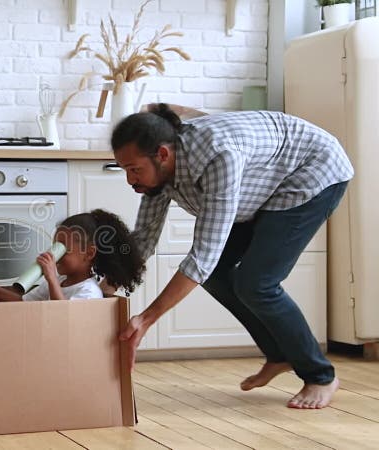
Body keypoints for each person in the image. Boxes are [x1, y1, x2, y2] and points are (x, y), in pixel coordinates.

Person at [113, 104, 353, 409]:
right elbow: (144, 238)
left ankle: (320, 376)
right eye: (124, 170)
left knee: (257, 283)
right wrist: (107, 286)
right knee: (218, 274)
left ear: (162, 154)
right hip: (266, 183)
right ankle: (280, 355)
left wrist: (146, 319)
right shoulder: (158, 175)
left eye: (134, 169)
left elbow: (203, 253)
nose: (130, 179)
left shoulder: (217, 156)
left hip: (314, 169)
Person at [0, 209, 145, 302]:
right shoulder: (60, 281)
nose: (55, 256)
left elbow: (63, 319)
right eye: (55, 246)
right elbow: (22, 302)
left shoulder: (89, 292)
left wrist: (51, 279)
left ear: (88, 253)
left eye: (63, 250)